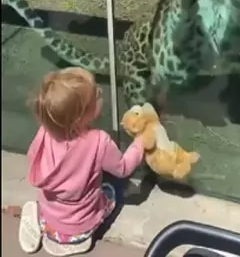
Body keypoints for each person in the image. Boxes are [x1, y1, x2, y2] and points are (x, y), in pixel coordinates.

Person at [18, 67, 145, 256]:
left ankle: (43, 224)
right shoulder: (99, 141)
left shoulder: (45, 132)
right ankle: (72, 237)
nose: (100, 93)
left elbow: (33, 157)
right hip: (82, 229)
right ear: (81, 116)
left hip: (50, 218)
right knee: (115, 188)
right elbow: (123, 168)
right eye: (96, 94)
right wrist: (140, 143)